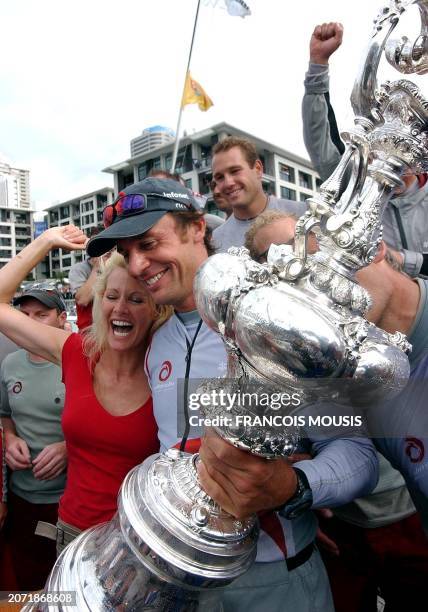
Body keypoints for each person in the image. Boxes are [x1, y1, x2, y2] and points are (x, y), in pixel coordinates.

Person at [88, 176, 378, 612]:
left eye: (149, 243)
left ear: (197, 228)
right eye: (127, 253)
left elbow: (357, 454)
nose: (138, 265)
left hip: (273, 582)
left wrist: (294, 489)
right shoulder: (157, 341)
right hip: (182, 582)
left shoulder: (276, 322)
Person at [244, 209, 428, 611]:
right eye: (287, 275)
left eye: (315, 256)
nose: (318, 286)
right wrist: (301, 483)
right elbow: (342, 442)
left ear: (372, 245)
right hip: (345, 529)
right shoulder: (312, 350)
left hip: (402, 518)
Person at [0, 227, 170, 555]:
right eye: (111, 296)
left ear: (156, 310)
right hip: (72, 533)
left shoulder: (170, 362)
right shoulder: (78, 351)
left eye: (136, 299)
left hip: (141, 542)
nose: (120, 309)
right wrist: (46, 240)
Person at [302, 21, 428, 278]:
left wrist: (400, 259)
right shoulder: (352, 186)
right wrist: (318, 64)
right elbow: (319, 140)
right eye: (379, 137)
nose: (385, 150)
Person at [0, 289, 68, 589]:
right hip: (21, 499)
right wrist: (11, 437)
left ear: (61, 319)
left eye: (42, 315)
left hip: (65, 502)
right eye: (25, 315)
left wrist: (68, 448)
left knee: (64, 585)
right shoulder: (9, 364)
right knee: (25, 585)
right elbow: (5, 414)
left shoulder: (78, 361)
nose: (31, 322)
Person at [211, 136, 307, 252]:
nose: (228, 183)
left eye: (235, 171)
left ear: (258, 169)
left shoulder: (304, 214)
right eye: (220, 177)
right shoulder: (217, 239)